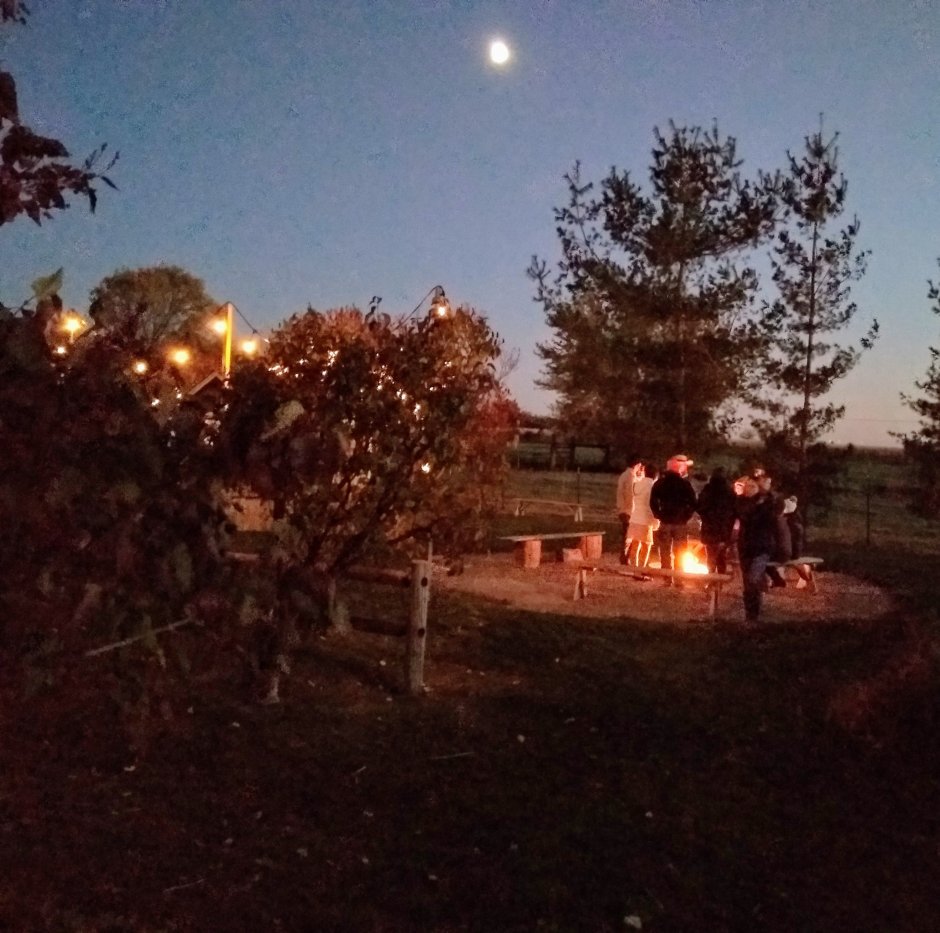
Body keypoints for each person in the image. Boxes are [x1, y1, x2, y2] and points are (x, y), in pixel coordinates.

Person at [736, 475, 778, 623]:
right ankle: (751, 616)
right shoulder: (742, 502)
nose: (749, 488)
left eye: (752, 486)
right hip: (745, 547)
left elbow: (768, 520)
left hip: (761, 547)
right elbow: (743, 517)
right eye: (747, 486)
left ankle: (753, 615)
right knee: (748, 583)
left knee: (753, 580)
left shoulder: (767, 503)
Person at [650, 453, 698, 583]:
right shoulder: (684, 484)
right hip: (680, 522)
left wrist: (658, 514)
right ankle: (678, 578)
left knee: (665, 550)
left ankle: (667, 577)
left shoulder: (660, 483)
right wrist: (687, 516)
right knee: (680, 551)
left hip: (665, 521)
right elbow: (693, 503)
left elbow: (653, 501)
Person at [696, 467, 737, 575]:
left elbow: (699, 507)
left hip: (709, 527)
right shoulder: (729, 492)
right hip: (724, 528)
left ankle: (711, 578)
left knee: (711, 555)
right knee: (721, 556)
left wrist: (705, 517)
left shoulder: (707, 490)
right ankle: (720, 579)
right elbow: (735, 510)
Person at [625, 463, 659, 570]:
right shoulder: (653, 487)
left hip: (635, 518)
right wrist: (656, 521)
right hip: (646, 519)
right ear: (655, 475)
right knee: (646, 546)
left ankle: (634, 568)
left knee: (635, 544)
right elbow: (653, 505)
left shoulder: (636, 484)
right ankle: (641, 569)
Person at [616, 454, 644, 564]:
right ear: (636, 465)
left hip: (623, 509)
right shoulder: (630, 476)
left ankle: (625, 557)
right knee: (628, 536)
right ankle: (625, 558)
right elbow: (630, 494)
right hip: (628, 511)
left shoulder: (625, 475)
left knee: (626, 535)